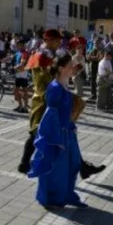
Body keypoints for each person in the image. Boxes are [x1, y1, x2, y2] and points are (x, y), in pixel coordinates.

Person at [19, 29, 105, 180]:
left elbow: (57, 75)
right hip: (44, 102)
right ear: (49, 40)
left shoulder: (51, 56)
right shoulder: (40, 56)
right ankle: (25, 163)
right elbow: (43, 82)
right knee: (36, 134)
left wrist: (71, 71)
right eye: (57, 41)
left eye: (60, 41)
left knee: (66, 135)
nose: (59, 44)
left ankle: (83, 167)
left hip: (54, 99)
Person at [28, 54, 87, 209]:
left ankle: (67, 194)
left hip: (68, 132)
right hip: (58, 134)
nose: (72, 68)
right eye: (70, 65)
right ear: (61, 68)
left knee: (72, 164)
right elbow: (50, 115)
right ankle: (51, 197)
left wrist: (71, 125)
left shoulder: (64, 85)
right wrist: (54, 137)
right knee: (56, 167)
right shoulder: (54, 88)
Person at [12, 39, 29, 112]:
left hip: (23, 74)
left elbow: (22, 63)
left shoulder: (25, 53)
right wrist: (2, 60)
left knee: (24, 91)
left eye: (19, 45)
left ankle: (25, 107)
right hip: (18, 73)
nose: (17, 46)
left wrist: (14, 68)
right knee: (15, 91)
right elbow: (11, 57)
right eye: (17, 45)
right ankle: (20, 105)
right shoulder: (18, 52)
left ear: (22, 45)